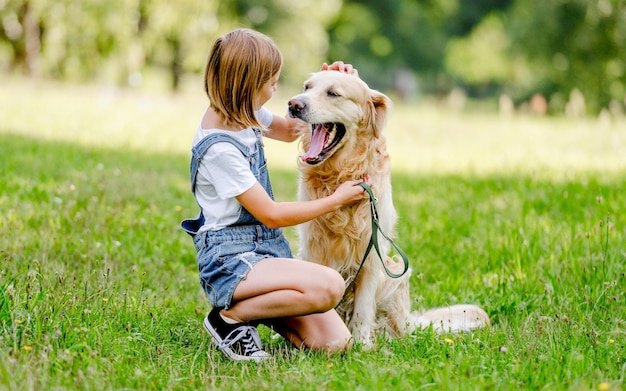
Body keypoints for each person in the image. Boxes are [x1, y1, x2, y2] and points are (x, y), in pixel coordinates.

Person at [180, 28, 368, 362]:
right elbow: (272, 215)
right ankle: (229, 319)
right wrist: (337, 198)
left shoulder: (243, 110)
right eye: (272, 82)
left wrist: (333, 90)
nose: (277, 89)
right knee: (329, 287)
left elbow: (293, 128)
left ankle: (257, 313)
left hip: (265, 254)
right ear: (248, 85)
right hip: (230, 262)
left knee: (336, 344)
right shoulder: (220, 148)